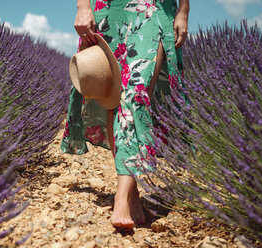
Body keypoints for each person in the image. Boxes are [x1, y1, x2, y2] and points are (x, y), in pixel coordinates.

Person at [61, 0, 189, 228]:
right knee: (113, 96)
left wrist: (184, 10)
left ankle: (120, 200)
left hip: (155, 7)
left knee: (136, 93)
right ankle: (131, 194)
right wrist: (82, 7)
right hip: (111, 7)